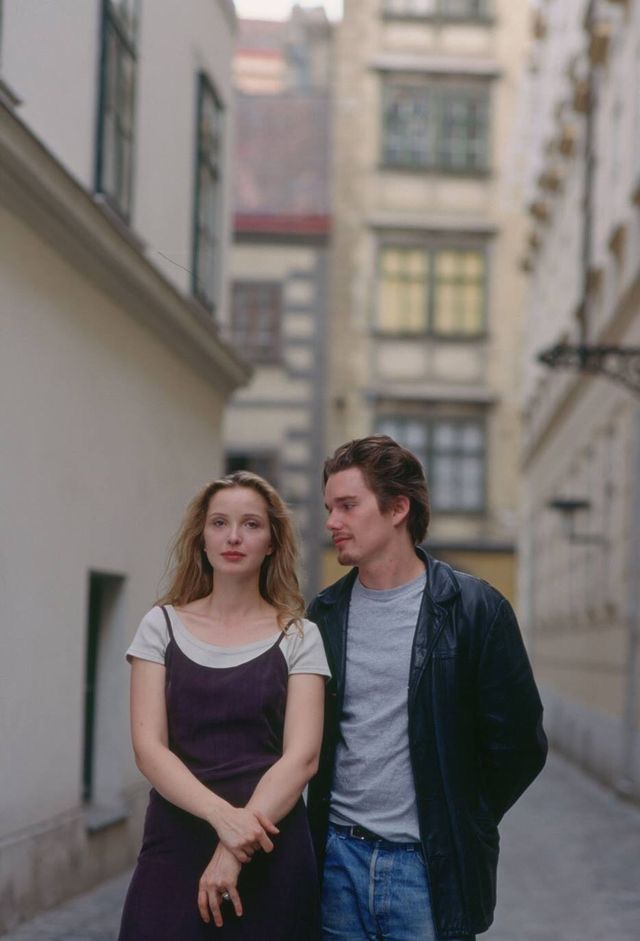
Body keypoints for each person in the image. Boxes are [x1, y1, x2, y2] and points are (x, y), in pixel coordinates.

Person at [306, 436, 548, 941]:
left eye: (347, 506)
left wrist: (463, 817)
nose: (332, 521)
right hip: (336, 863)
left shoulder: (475, 609)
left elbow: (521, 745)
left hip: (428, 870)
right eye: (330, 507)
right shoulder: (323, 615)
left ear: (398, 508)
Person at [118, 471, 330, 940]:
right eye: (220, 523)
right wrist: (223, 819)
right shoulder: (160, 626)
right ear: (202, 538)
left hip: (271, 848)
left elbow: (302, 759)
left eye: (251, 524)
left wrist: (233, 848)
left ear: (272, 542)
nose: (234, 536)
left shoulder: (299, 635)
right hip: (175, 845)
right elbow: (149, 750)